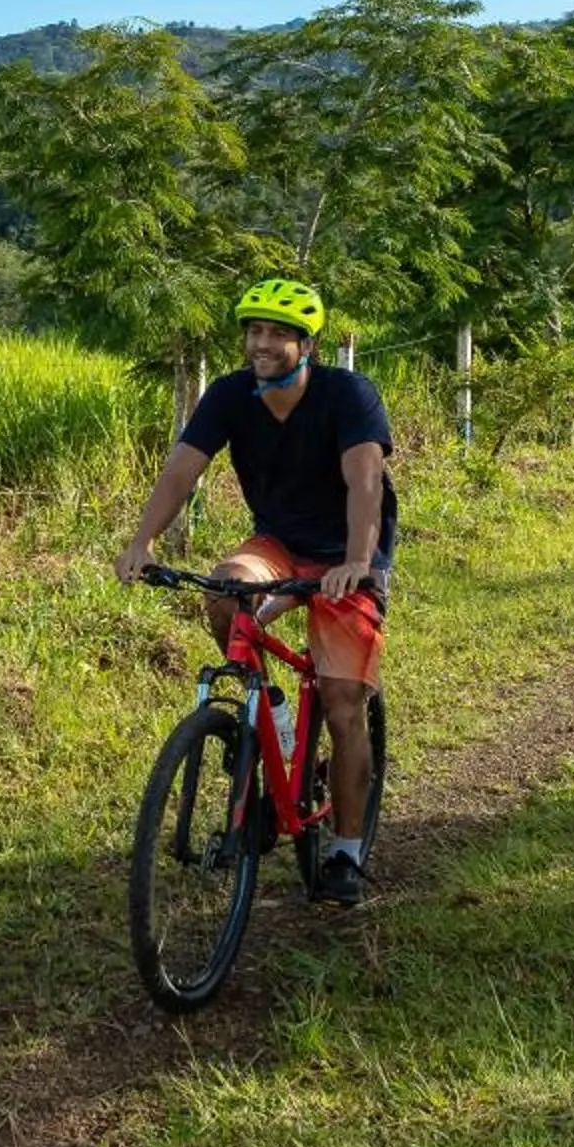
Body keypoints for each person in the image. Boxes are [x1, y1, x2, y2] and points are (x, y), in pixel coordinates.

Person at [116, 278, 396, 908]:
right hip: (277, 542)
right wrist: (142, 543)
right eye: (254, 331)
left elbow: (365, 484)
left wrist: (356, 561)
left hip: (349, 554)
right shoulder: (230, 395)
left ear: (307, 343)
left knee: (345, 701)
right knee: (225, 594)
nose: (262, 344)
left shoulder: (347, 395)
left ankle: (346, 851)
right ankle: (274, 718)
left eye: (277, 333)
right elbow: (183, 467)